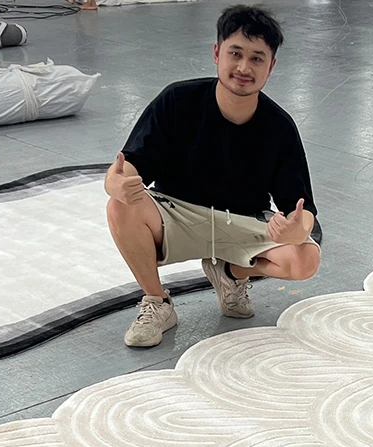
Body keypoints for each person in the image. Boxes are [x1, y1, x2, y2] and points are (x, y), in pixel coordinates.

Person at [105, 4, 320, 347]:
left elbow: (302, 207)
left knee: (305, 258)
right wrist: (115, 183)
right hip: (177, 215)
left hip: (240, 222)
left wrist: (298, 229)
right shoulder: (178, 100)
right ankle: (157, 302)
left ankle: (230, 274)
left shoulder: (279, 126)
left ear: (271, 67)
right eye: (235, 53)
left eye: (257, 58)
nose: (244, 67)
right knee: (120, 206)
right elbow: (127, 167)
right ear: (217, 53)